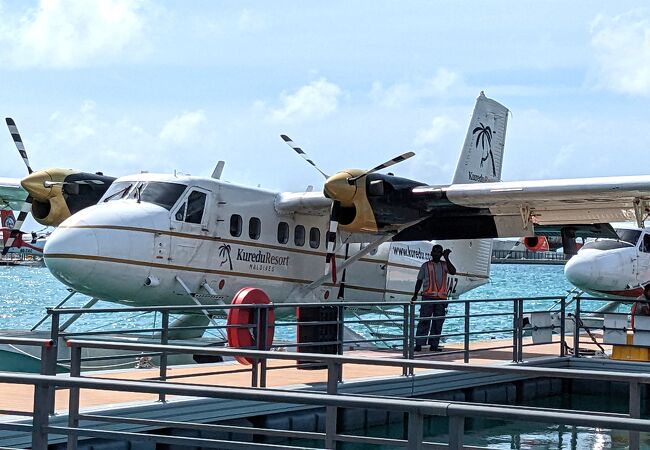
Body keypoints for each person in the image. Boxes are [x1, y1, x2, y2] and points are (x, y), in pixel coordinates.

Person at [411, 244, 456, 351]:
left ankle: (434, 344)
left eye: (439, 252)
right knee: (424, 320)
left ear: (441, 254)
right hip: (427, 297)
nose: (436, 254)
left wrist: (447, 257)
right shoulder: (425, 265)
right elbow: (419, 280)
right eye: (435, 252)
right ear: (431, 253)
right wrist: (415, 295)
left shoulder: (445, 265)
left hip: (441, 299)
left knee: (438, 322)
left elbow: (453, 271)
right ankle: (419, 344)